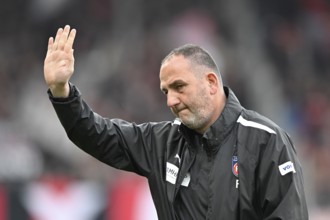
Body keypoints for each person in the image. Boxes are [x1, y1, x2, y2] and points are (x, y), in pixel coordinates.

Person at [44, 25, 309, 220]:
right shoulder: (161, 142)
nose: (171, 100)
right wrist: (60, 91)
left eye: (179, 87)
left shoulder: (266, 141)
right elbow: (96, 134)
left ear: (212, 83)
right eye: (165, 91)